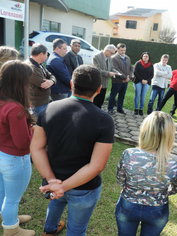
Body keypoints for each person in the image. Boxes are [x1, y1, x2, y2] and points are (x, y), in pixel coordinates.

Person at [30, 65, 115, 236]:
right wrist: (63, 186)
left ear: (71, 84)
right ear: (99, 89)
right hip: (84, 187)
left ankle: (49, 229)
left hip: (53, 180)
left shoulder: (49, 109)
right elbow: (96, 166)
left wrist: (53, 181)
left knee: (56, 202)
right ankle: (51, 228)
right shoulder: (104, 120)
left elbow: (36, 147)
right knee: (76, 230)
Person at [0, 60, 35, 235]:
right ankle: (12, 229)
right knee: (12, 198)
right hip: (14, 158)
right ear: (20, 81)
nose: (29, 83)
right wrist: (33, 132)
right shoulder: (15, 108)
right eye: (27, 79)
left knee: (1, 189)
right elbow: (23, 143)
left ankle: (7, 216)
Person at [115, 111, 177, 236]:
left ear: (145, 130)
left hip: (128, 204)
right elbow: (176, 188)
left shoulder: (129, 154)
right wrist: (160, 192)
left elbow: (120, 180)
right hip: (157, 208)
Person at [26, 43, 56, 116]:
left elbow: (51, 75)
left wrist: (52, 81)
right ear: (41, 54)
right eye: (46, 54)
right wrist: (51, 81)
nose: (47, 57)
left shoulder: (39, 64)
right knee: (37, 125)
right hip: (37, 104)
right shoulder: (31, 67)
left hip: (43, 102)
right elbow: (43, 85)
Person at [108, 43, 133, 114]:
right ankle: (110, 108)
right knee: (113, 95)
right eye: (121, 50)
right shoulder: (114, 58)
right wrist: (125, 78)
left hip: (125, 81)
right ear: (117, 49)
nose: (123, 52)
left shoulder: (127, 58)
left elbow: (131, 68)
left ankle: (120, 108)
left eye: (124, 50)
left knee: (122, 96)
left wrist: (129, 77)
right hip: (117, 81)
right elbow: (116, 69)